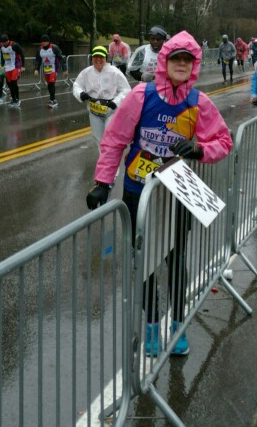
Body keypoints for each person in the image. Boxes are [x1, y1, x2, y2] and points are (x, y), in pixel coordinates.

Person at [85, 30, 233, 356]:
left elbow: (223, 142)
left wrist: (197, 149)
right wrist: (102, 183)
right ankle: (151, 327)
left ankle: (178, 328)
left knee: (175, 261)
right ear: (165, 61)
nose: (181, 63)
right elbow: (114, 141)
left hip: (179, 194)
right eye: (176, 57)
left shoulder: (199, 103)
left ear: (193, 66)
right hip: (140, 191)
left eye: (187, 59)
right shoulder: (141, 95)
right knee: (145, 262)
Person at [73, 45, 131, 151]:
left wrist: (115, 102)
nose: (98, 60)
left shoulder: (114, 72)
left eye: (101, 57)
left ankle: (113, 166)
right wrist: (81, 93)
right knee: (99, 139)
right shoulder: (86, 72)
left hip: (111, 110)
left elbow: (126, 90)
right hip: (94, 110)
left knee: (110, 139)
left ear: (106, 58)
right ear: (92, 59)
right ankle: (104, 165)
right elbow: (77, 85)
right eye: (96, 57)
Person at [34, 35, 67, 107]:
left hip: (53, 69)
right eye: (42, 42)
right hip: (46, 70)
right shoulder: (40, 49)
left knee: (52, 84)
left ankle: (53, 100)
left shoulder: (54, 48)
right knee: (49, 84)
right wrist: (36, 69)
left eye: (45, 41)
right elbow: (38, 60)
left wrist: (64, 70)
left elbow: (61, 58)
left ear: (48, 42)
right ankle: (52, 98)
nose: (44, 43)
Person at [0, 34, 25, 107]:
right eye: (2, 43)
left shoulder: (14, 45)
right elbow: (2, 56)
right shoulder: (1, 46)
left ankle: (17, 99)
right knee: (9, 84)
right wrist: (2, 65)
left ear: (7, 41)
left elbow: (22, 54)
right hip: (7, 67)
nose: (3, 44)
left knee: (14, 82)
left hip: (15, 66)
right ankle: (13, 99)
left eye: (4, 42)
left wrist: (23, 66)